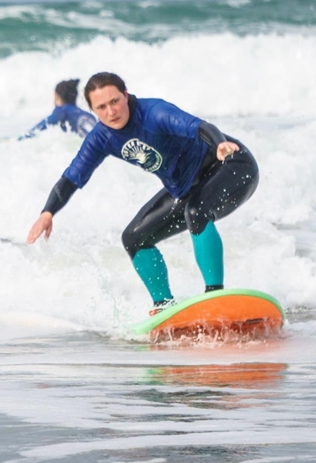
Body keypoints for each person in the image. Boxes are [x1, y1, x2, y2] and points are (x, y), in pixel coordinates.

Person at [26, 72, 258, 311]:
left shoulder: (153, 112)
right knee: (134, 238)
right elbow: (72, 176)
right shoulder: (101, 137)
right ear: (93, 110)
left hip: (230, 164)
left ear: (125, 96)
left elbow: (199, 126)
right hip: (186, 186)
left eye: (114, 101)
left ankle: (215, 296)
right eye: (101, 107)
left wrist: (220, 143)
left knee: (197, 211)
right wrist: (48, 212)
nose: (111, 111)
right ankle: (164, 306)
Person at [19, 79, 97, 140]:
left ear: (57, 96)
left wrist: (21, 138)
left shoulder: (62, 110)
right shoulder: (89, 115)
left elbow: (44, 125)